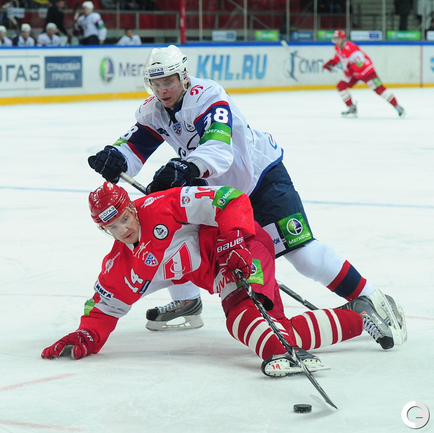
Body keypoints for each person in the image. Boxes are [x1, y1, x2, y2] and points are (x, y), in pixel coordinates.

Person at [88, 45, 407, 349]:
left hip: (260, 179)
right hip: (219, 193)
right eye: (156, 84)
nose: (162, 90)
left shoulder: (207, 96)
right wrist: (115, 158)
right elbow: (133, 147)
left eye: (168, 81)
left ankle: (373, 298)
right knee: (171, 232)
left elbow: (219, 147)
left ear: (183, 75)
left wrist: (188, 167)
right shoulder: (154, 110)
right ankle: (187, 300)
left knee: (304, 257)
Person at [41, 182, 388, 375]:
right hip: (222, 272)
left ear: (132, 207)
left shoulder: (163, 205)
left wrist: (233, 237)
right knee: (275, 329)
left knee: (242, 316)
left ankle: (283, 351)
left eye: (124, 219)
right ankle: (358, 317)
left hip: (243, 247)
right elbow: (104, 309)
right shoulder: (120, 265)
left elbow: (228, 198)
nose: (123, 230)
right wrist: (87, 334)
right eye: (112, 227)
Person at [323, 30, 405, 117]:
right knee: (341, 86)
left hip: (367, 72)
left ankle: (397, 106)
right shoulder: (337, 48)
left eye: (338, 39)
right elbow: (339, 56)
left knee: (379, 89)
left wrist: (349, 70)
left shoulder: (352, 49)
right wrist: (331, 63)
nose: (337, 41)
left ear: (343, 39)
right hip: (354, 74)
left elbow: (360, 64)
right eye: (335, 39)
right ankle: (352, 108)